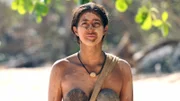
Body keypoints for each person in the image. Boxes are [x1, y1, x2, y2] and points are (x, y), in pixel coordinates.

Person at [48, 2, 133, 101]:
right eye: (85, 24)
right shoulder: (61, 69)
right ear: (75, 30)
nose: (90, 28)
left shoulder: (121, 68)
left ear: (105, 29)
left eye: (96, 23)